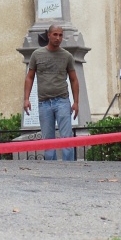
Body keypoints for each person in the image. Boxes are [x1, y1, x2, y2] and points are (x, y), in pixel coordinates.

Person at [23, 24, 80, 161]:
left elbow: (74, 80)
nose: (58, 38)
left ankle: (69, 168)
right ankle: (51, 170)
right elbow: (29, 77)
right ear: (49, 35)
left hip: (62, 101)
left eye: (60, 35)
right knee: (48, 140)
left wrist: (76, 102)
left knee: (66, 138)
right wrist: (26, 99)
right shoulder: (37, 54)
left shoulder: (67, 56)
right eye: (55, 34)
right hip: (44, 103)